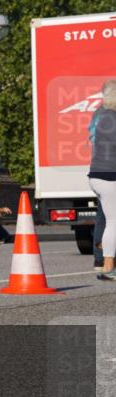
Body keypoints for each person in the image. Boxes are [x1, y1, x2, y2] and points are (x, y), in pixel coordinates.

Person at [88, 80, 116, 281]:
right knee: (113, 222)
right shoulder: (111, 117)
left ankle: (106, 263)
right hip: (109, 176)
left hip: (99, 174)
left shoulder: (103, 115)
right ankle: (108, 266)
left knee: (110, 220)